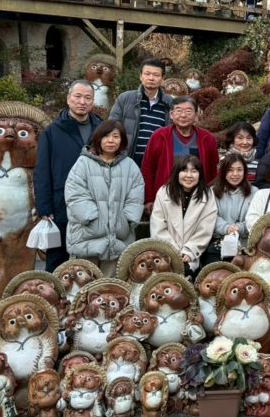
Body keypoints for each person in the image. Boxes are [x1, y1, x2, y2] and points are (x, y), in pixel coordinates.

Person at [34, 79, 103, 272]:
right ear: (68, 99)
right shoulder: (53, 131)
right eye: (77, 96)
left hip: (95, 199)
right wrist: (44, 207)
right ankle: (54, 289)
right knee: (58, 257)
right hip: (61, 201)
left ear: (93, 101)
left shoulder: (102, 128)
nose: (82, 102)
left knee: (93, 256)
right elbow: (42, 171)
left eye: (88, 98)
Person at [63, 119, 145, 275]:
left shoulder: (130, 165)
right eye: (106, 136)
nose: (110, 140)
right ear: (98, 138)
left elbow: (136, 197)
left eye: (116, 136)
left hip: (119, 237)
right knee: (83, 281)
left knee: (111, 285)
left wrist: (127, 221)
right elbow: (75, 194)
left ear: (122, 140)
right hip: (87, 234)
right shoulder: (83, 163)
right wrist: (92, 219)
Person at [141, 96, 219, 212]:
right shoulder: (159, 136)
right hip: (166, 197)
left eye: (188, 111)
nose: (183, 115)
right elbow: (148, 169)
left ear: (196, 115)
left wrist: (208, 196)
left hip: (198, 198)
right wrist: (149, 199)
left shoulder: (207, 138)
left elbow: (213, 171)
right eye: (179, 111)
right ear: (171, 114)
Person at [149, 155, 218, 276]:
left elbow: (205, 229)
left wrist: (189, 251)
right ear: (177, 172)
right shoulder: (164, 192)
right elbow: (158, 227)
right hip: (165, 253)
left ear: (200, 174)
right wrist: (174, 252)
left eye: (194, 171)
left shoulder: (207, 195)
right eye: (184, 170)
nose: (189, 175)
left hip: (191, 257)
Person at [108, 58, 173, 165]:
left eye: (156, 75)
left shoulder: (169, 103)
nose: (151, 78)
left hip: (156, 163)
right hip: (127, 160)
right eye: (147, 74)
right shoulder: (126, 98)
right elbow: (111, 127)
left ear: (162, 79)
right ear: (140, 76)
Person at [201, 152, 258, 266]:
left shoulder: (255, 192)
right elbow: (210, 216)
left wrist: (239, 228)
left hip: (245, 244)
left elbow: (256, 218)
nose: (235, 174)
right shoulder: (212, 192)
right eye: (230, 170)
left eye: (239, 170)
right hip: (218, 242)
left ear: (245, 172)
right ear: (223, 172)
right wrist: (227, 228)